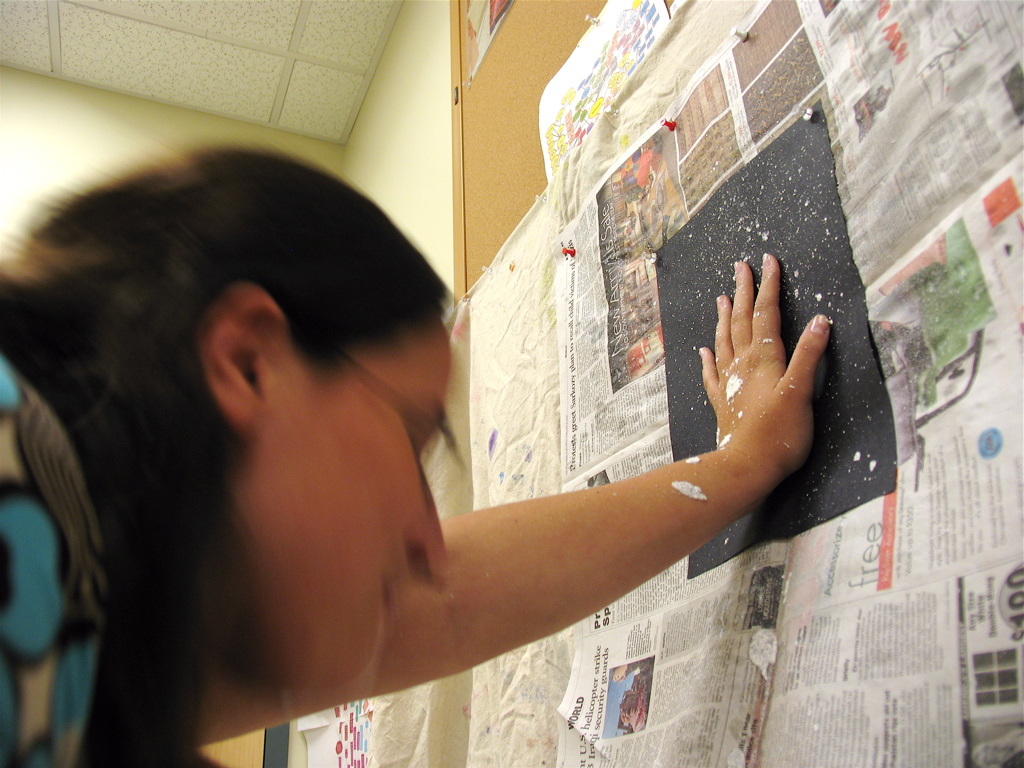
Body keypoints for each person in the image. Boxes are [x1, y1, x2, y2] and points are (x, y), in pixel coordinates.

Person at [0, 147, 830, 767]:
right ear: (249, 361)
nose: (430, 541)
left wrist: (739, 466)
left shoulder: (122, 626)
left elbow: (443, 603)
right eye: (409, 436)